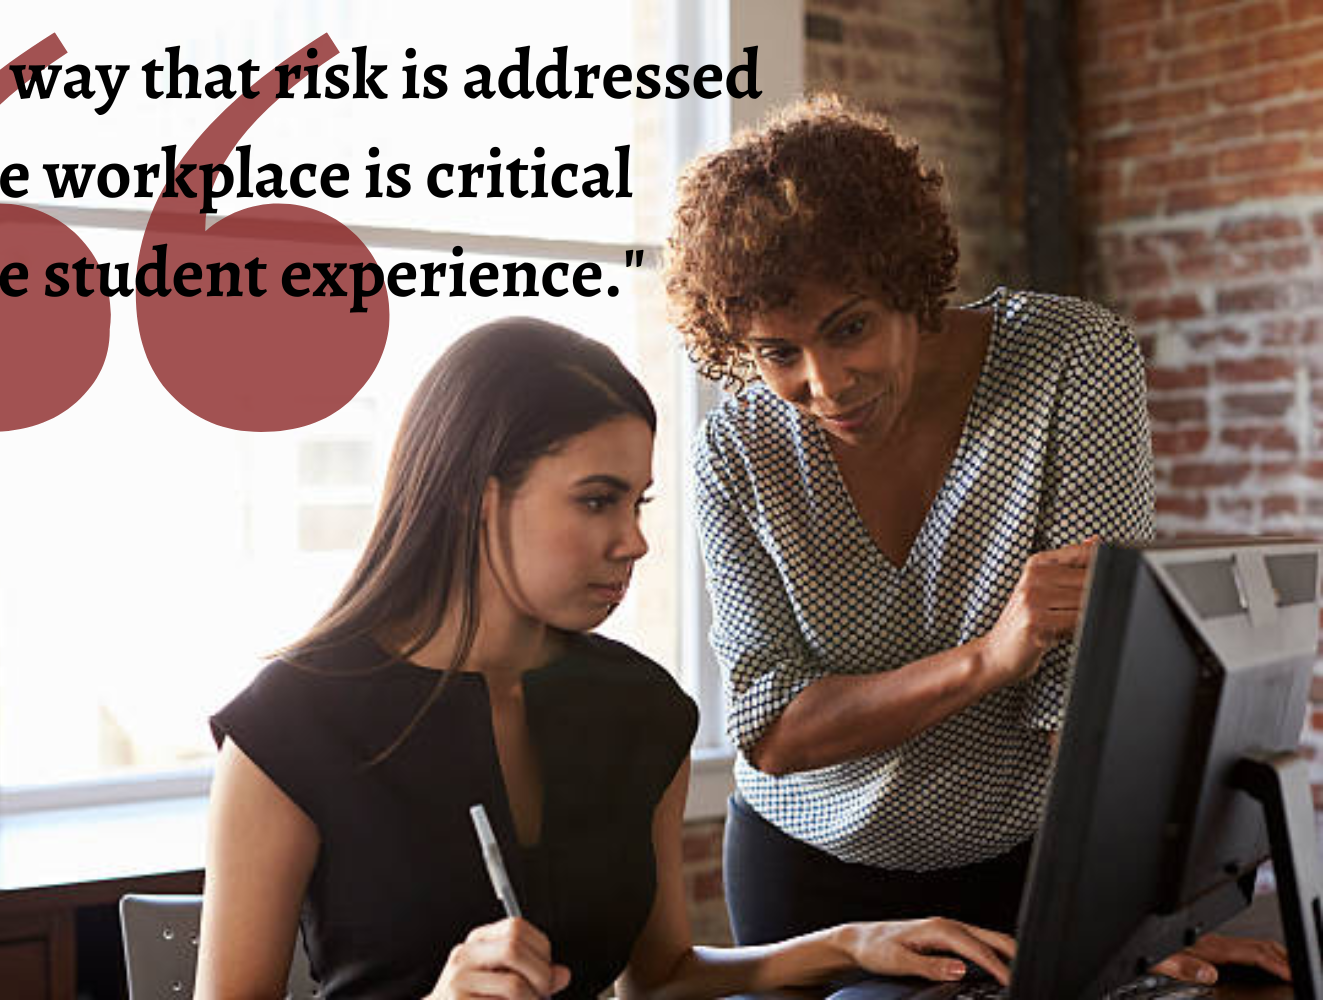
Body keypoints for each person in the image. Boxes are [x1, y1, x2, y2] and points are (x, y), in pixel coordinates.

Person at [196, 318, 1021, 1000]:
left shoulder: (642, 710)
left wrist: (851, 944)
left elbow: (659, 978)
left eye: (637, 502)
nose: (633, 541)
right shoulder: (289, 728)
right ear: (472, 495)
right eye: (597, 500)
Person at [664, 94, 1289, 985]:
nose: (824, 383)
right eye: (776, 352)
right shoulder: (736, 449)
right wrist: (991, 656)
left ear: (912, 284)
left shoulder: (1071, 359)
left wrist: (1149, 921)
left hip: (1028, 865)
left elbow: (1083, 688)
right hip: (808, 875)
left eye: (850, 328)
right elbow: (770, 725)